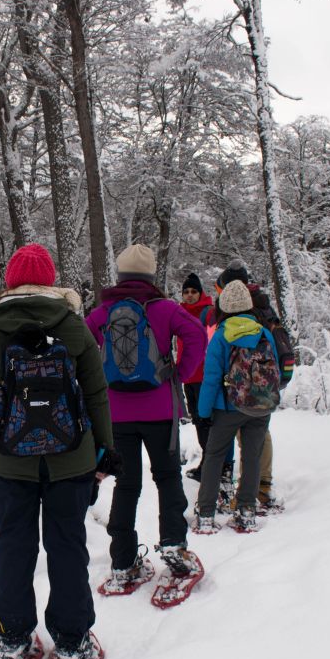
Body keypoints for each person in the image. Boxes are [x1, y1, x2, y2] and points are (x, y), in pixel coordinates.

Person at [0, 243, 117, 659]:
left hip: (9, 464)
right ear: (49, 281)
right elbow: (97, 393)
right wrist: (104, 451)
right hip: (71, 460)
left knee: (13, 547)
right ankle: (71, 642)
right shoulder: (73, 324)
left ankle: (12, 639)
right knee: (67, 547)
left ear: (8, 281)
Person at [85, 245, 206, 589]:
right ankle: (173, 545)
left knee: (126, 485)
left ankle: (123, 561)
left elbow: (79, 342)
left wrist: (98, 381)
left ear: (120, 276)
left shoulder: (104, 311)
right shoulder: (165, 309)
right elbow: (196, 335)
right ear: (151, 276)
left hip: (117, 414)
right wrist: (178, 372)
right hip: (160, 411)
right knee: (167, 479)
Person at [195, 280, 281, 533]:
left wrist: (202, 412)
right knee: (252, 457)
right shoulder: (264, 333)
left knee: (214, 457)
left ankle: (207, 514)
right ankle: (246, 510)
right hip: (260, 406)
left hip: (227, 408)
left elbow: (210, 379)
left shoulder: (222, 334)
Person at [213, 260, 295, 512]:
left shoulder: (239, 309)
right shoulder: (263, 305)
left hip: (244, 384)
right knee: (261, 432)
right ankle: (262, 486)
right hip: (270, 378)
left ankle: (251, 492)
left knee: (246, 437)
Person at [178, 272, 215, 481]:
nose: (190, 295)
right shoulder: (179, 313)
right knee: (198, 421)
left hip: (204, 376)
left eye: (194, 291)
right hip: (188, 376)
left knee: (206, 421)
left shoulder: (208, 313)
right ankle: (207, 462)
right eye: (186, 292)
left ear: (200, 293)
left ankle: (212, 464)